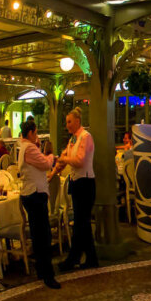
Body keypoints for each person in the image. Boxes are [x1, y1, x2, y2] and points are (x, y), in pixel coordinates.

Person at [49, 108, 97, 271]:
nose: (67, 125)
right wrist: (52, 173)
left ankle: (73, 259)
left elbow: (80, 161)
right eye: (66, 122)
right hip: (77, 184)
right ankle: (91, 259)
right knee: (81, 224)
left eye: (69, 121)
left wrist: (64, 159)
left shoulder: (86, 137)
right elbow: (64, 159)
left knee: (80, 224)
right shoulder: (73, 139)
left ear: (77, 121)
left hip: (86, 183)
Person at [18, 119, 59, 289]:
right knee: (43, 236)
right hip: (35, 194)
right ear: (30, 134)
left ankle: (41, 270)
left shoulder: (24, 147)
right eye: (36, 133)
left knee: (38, 235)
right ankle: (48, 275)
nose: (37, 136)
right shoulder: (29, 148)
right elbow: (45, 164)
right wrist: (50, 155)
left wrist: (39, 148)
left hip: (30, 194)